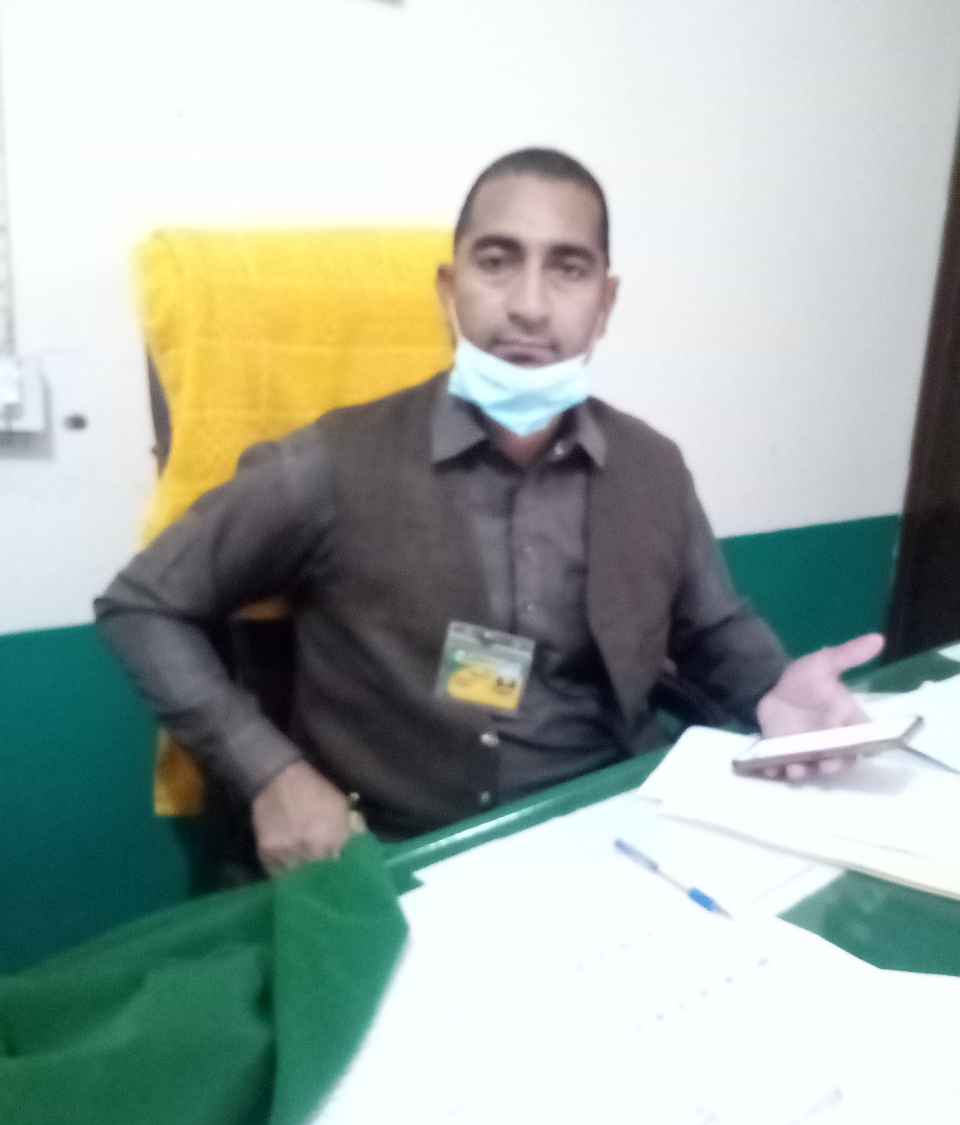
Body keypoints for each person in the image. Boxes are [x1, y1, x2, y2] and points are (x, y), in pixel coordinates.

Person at [95, 148, 883, 876]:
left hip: (620, 834)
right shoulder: (331, 464)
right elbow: (142, 603)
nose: (530, 306)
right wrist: (272, 774)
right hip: (406, 860)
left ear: (605, 303)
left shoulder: (654, 468)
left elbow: (712, 628)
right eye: (498, 262)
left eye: (568, 269)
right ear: (450, 290)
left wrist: (773, 688)